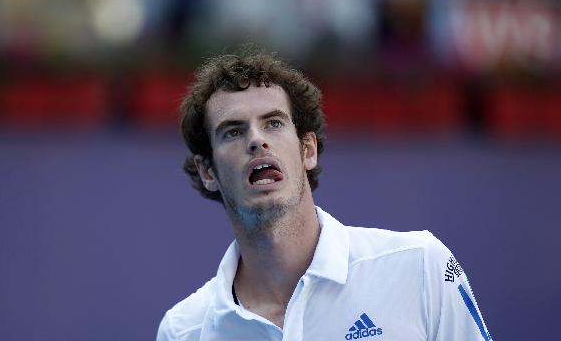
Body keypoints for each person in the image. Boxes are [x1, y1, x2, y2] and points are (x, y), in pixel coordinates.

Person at [157, 49, 492, 341]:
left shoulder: (421, 265)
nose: (257, 140)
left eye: (273, 123)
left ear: (308, 150)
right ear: (208, 172)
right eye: (233, 131)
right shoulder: (185, 331)